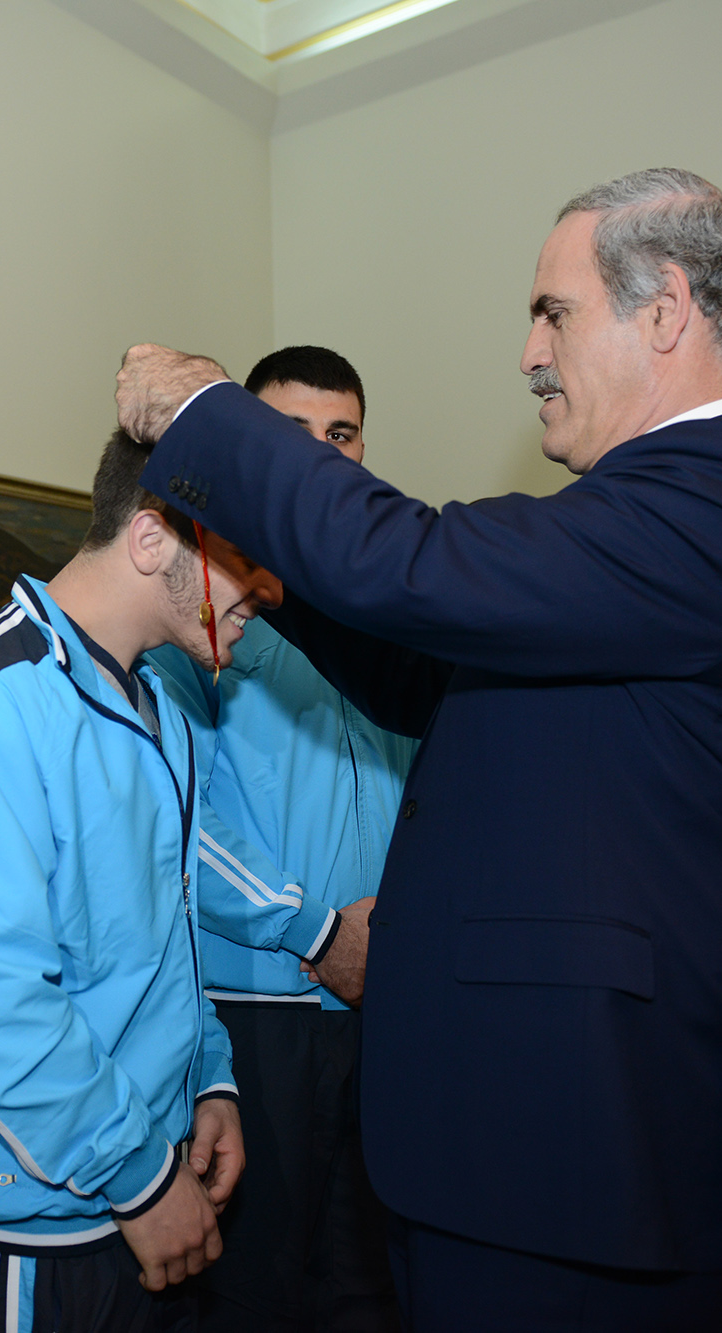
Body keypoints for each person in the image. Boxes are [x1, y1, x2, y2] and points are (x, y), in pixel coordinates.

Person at [114, 167, 722, 1332]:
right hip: (511, 1139)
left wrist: (209, 412)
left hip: (586, 1145)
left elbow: (416, 567)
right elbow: (427, 673)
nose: (527, 353)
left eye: (551, 312)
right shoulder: (659, 516)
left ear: (664, 310)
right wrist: (276, 577)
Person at [0, 428, 282, 1330]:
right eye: (248, 558)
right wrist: (141, 1177)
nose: (271, 590)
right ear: (151, 539)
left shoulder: (164, 713)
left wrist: (209, 1082)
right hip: (30, 1226)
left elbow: (167, 948)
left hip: (145, 1182)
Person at [145, 346, 418, 1332]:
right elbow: (172, 815)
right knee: (258, 1287)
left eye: (340, 435)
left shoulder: (390, 605)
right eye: (290, 434)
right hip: (256, 1008)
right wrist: (313, 929)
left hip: (385, 997)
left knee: (372, 1278)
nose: (318, 454)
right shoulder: (200, 603)